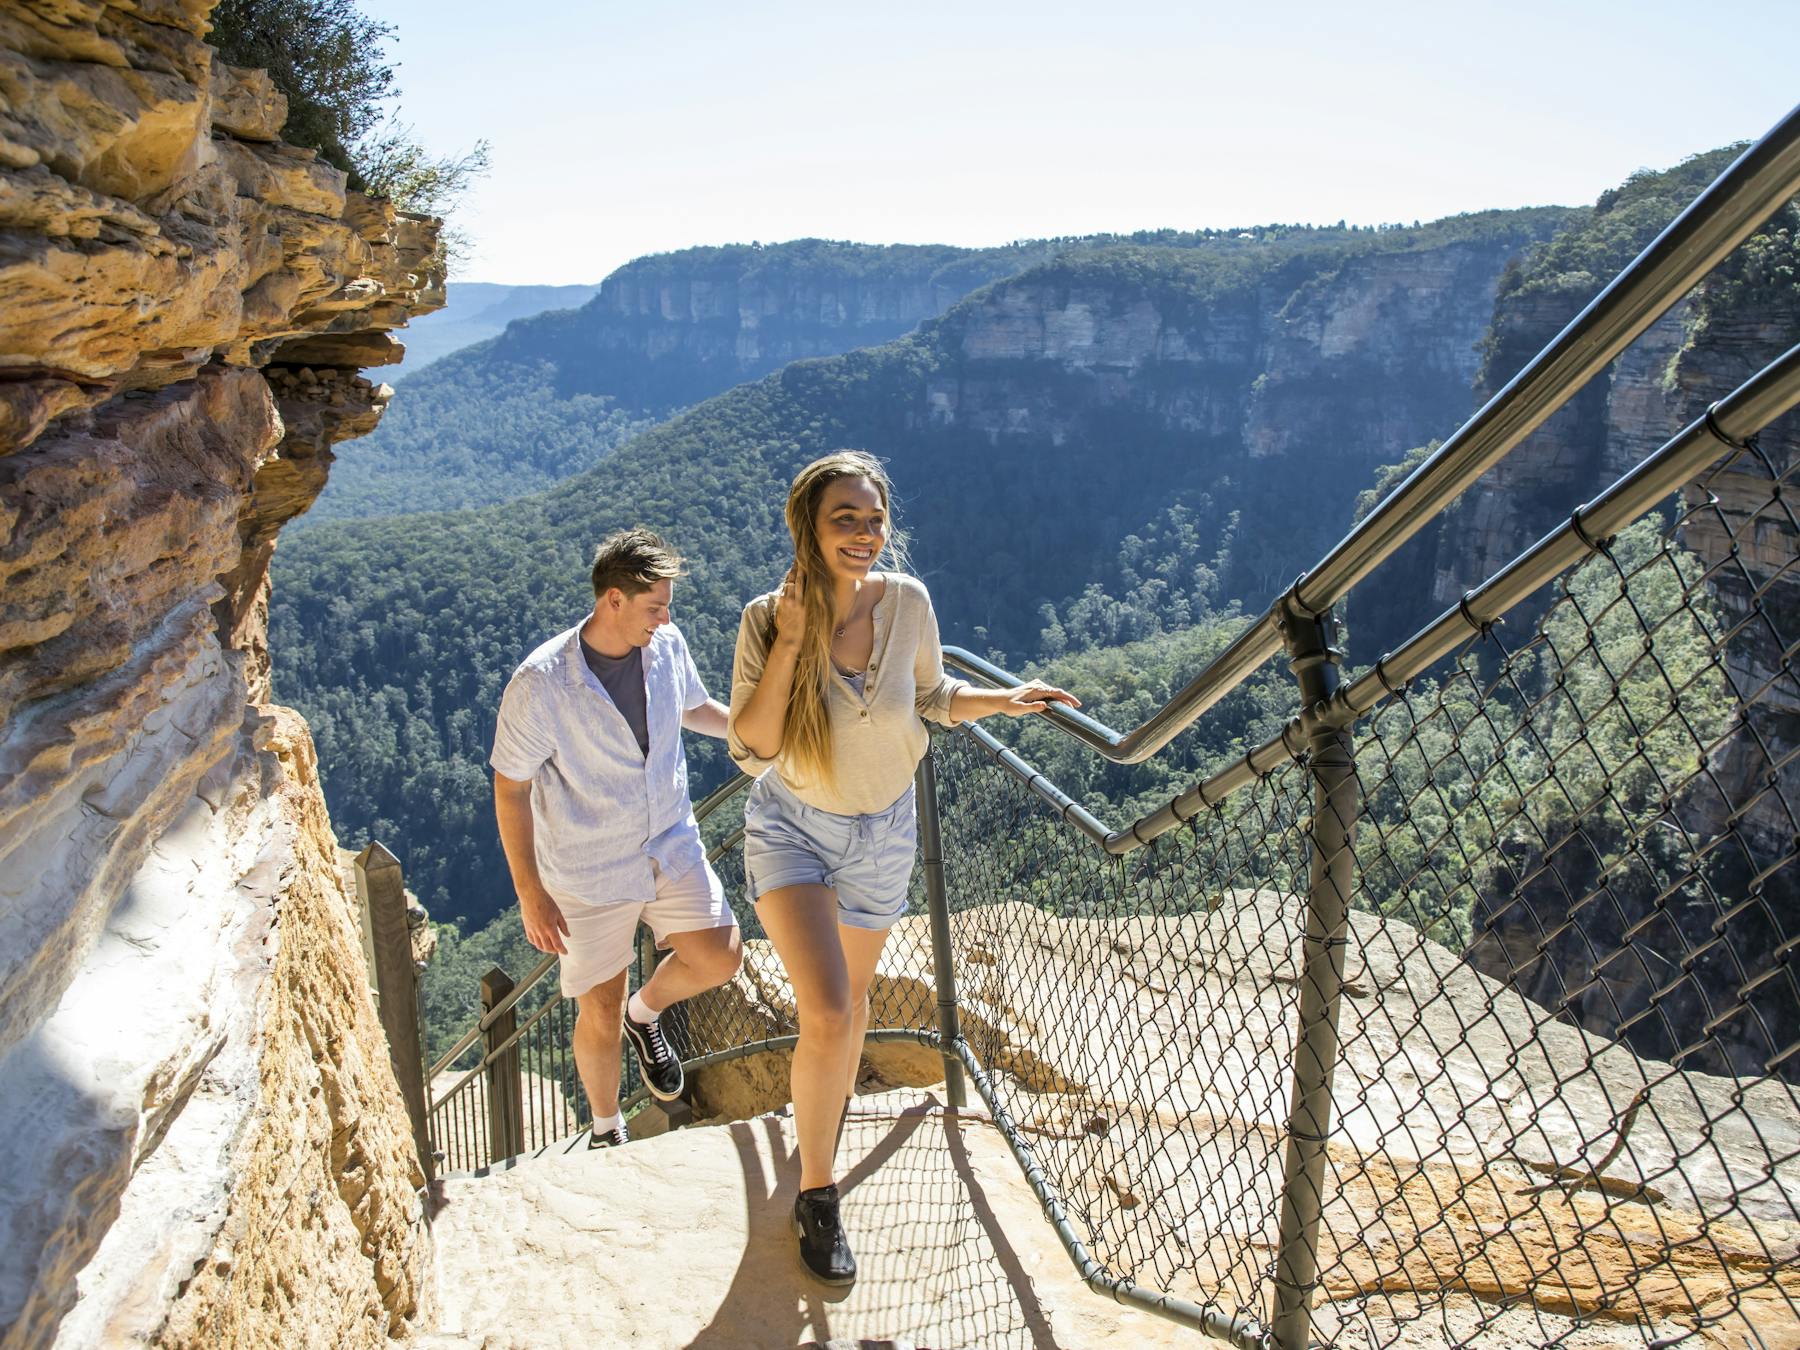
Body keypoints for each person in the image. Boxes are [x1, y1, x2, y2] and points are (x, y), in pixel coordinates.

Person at [728, 450, 1078, 1283]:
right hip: (795, 834)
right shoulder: (762, 617)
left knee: (846, 1020)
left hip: (883, 835)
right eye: (844, 518)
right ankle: (819, 1193)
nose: (864, 533)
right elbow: (755, 747)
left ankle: (818, 1124)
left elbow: (929, 696)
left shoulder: (910, 602)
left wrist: (1005, 699)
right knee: (831, 1007)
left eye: (875, 518)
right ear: (807, 527)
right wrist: (793, 641)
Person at [492, 528, 743, 1150]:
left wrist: (753, 737)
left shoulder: (666, 644)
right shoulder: (541, 684)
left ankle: (647, 1012)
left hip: (668, 839)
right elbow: (510, 790)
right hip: (588, 866)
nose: (666, 618)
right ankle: (607, 1130)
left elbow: (695, 708)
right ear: (613, 600)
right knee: (597, 1007)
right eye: (655, 606)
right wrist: (531, 893)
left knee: (720, 955)